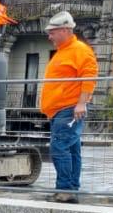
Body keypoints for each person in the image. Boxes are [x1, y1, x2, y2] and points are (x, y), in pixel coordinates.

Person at [38, 11, 96, 203]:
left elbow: (89, 76)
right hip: (62, 109)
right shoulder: (65, 51)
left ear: (65, 30)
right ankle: (70, 190)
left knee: (59, 147)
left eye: (52, 32)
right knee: (71, 149)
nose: (49, 36)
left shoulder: (79, 50)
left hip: (69, 108)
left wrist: (81, 103)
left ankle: (65, 190)